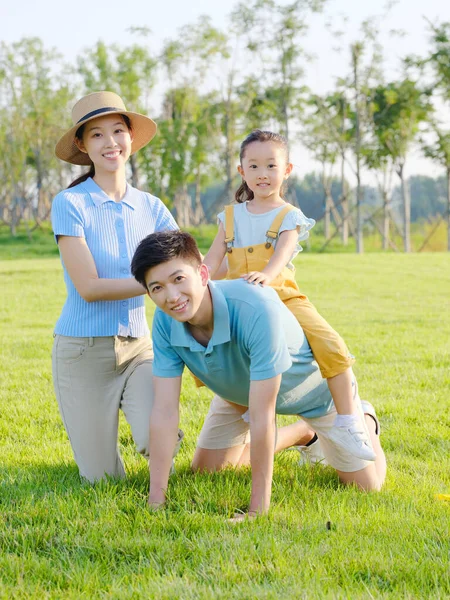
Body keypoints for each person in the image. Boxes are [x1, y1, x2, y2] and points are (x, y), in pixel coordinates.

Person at [130, 231, 387, 520]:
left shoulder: (255, 307)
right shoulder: (166, 322)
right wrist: (156, 499)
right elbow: (164, 411)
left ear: (203, 273)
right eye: (157, 288)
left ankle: (363, 418)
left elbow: (264, 416)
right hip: (239, 393)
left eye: (179, 279)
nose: (172, 297)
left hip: (316, 395)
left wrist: (257, 510)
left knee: (367, 486)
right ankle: (304, 435)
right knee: (207, 470)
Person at [202, 129, 375, 461]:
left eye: (271, 165)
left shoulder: (289, 217)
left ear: (287, 170)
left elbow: (281, 256)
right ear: (241, 171)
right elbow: (213, 263)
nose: (262, 174)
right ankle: (248, 405)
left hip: (282, 295)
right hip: (239, 300)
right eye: (253, 167)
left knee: (330, 342)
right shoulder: (230, 217)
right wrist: (196, 281)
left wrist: (266, 276)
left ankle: (350, 420)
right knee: (213, 350)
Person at [51, 91, 182, 483]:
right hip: (81, 354)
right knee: (102, 479)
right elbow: (89, 287)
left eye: (118, 131)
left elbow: (186, 269)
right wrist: (157, 285)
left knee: (159, 438)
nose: (111, 143)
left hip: (139, 348)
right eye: (97, 135)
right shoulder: (70, 204)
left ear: (130, 137)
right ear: (82, 144)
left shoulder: (152, 207)